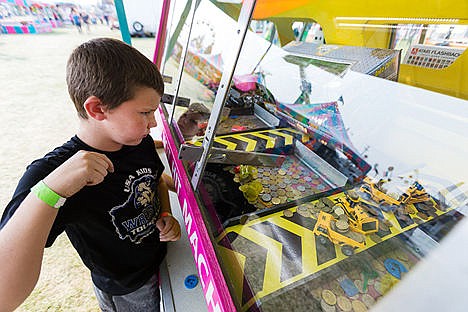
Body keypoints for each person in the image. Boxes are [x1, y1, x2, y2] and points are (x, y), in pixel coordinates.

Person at [0, 38, 181, 311]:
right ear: (97, 109)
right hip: (124, 289)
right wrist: (52, 190)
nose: (153, 122)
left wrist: (165, 214)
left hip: (159, 262)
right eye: (145, 112)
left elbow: (154, 179)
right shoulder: (51, 175)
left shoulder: (138, 140)